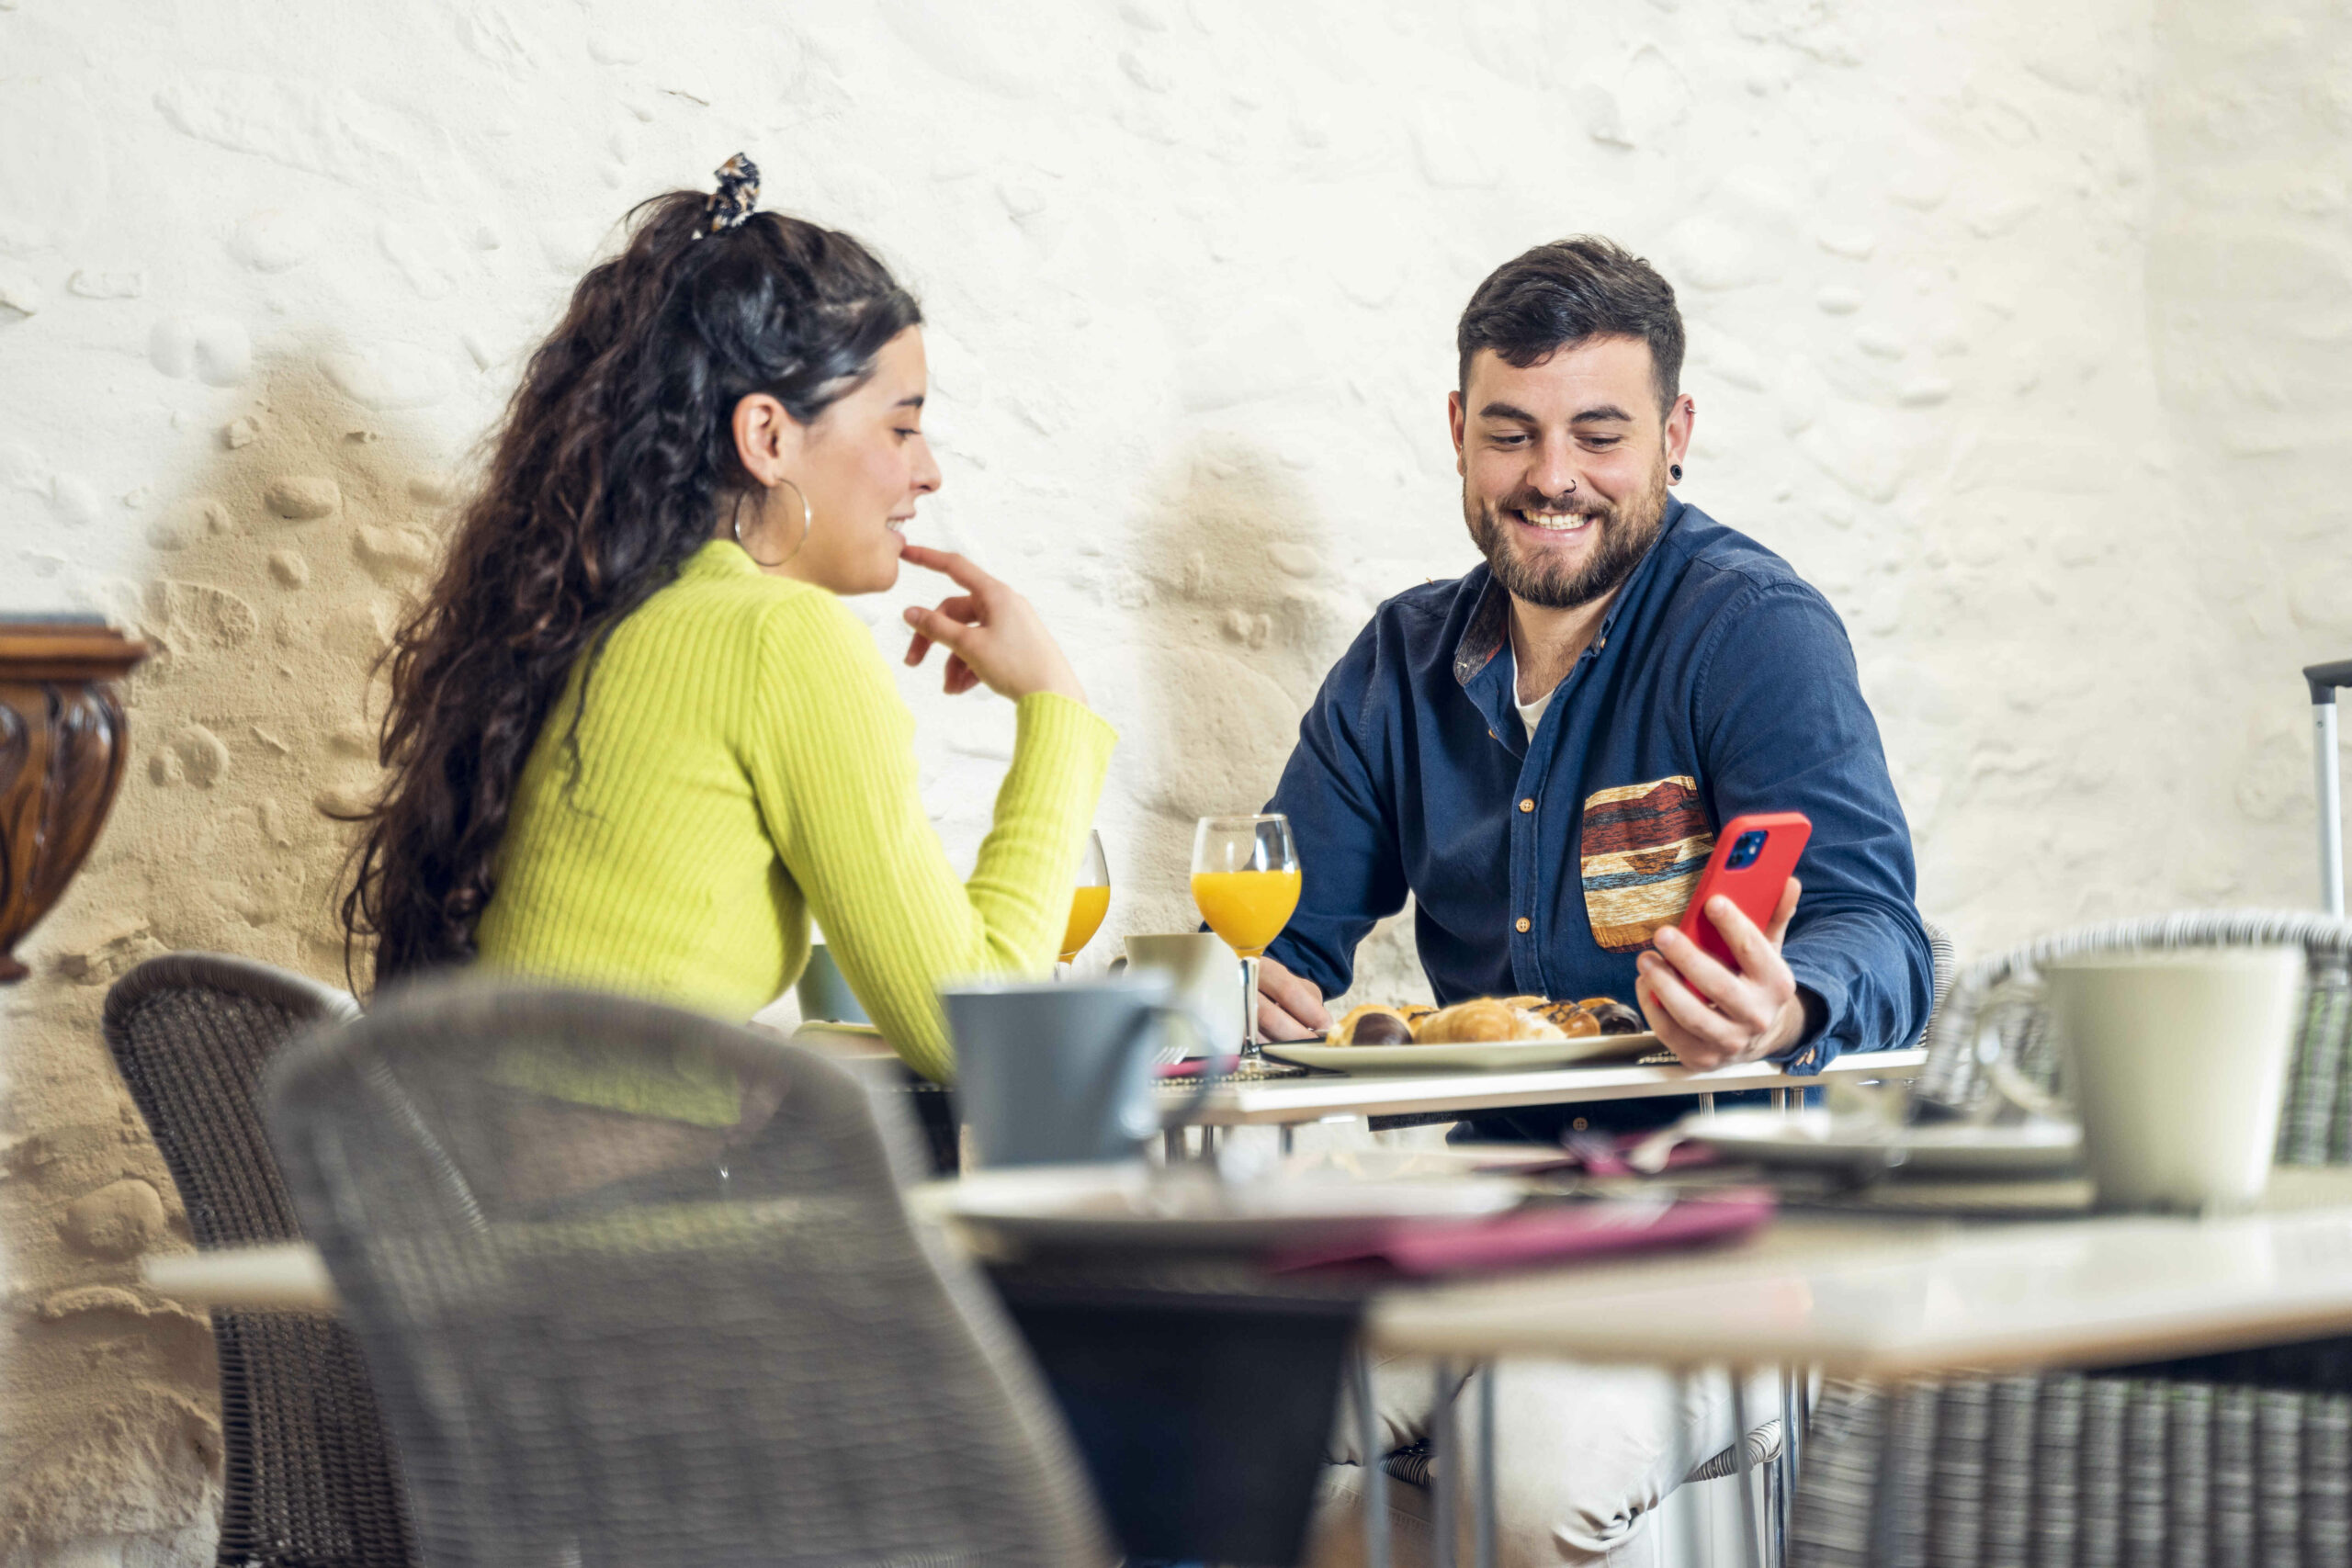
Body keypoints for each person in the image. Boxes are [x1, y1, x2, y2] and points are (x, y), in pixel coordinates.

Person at [1272, 238, 1933, 1565]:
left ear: (1675, 433)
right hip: (1479, 1215)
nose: (1551, 477)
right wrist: (1260, 984)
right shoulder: (1398, 664)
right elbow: (1282, 939)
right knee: (1231, 1425)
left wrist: (1788, 998)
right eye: (1510, 433)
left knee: (1520, 1480)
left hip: (1712, 1227)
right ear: (1460, 434)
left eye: (1599, 433)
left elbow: (1883, 930)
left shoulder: (1751, 628)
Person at [342, 155, 1113, 1121]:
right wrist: (1057, 712)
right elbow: (975, 1033)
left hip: (502, 1229)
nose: (929, 474)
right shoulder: (777, 638)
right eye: (901, 428)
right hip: (641, 1244)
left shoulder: (591, 614)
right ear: (768, 438)